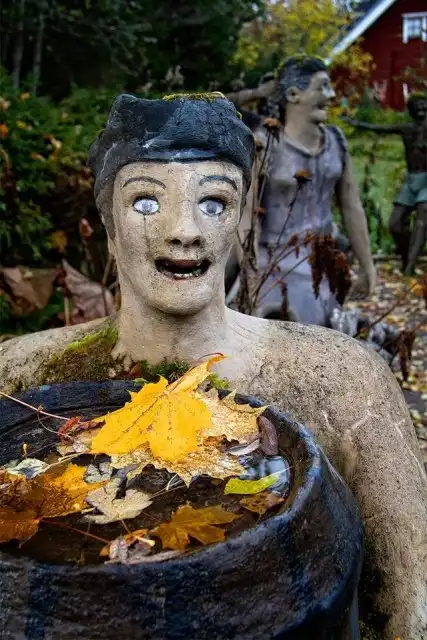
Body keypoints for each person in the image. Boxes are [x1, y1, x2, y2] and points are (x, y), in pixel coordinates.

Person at [0, 93, 425, 639]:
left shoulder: (344, 379)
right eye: (146, 203)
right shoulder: (18, 376)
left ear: (241, 224)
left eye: (214, 203)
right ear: (109, 225)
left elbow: (408, 608)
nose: (185, 230)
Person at [250, 56, 376, 323]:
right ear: (293, 95)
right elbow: (247, 217)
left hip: (324, 262)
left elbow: (351, 205)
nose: (331, 95)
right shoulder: (266, 144)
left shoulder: (335, 141)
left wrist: (368, 266)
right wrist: (250, 274)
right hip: (275, 264)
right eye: (322, 87)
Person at [344, 91, 427, 274]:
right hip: (411, 180)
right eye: (416, 106)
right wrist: (357, 123)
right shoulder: (407, 129)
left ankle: (409, 269)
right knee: (395, 224)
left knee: (422, 221)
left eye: (423, 104)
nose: (420, 108)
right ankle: (407, 257)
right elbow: (381, 128)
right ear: (410, 110)